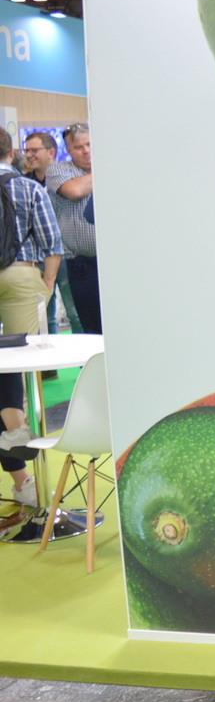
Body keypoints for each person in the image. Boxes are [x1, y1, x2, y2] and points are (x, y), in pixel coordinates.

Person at [0, 129, 64, 507]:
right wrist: (47, 283)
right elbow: (52, 243)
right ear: (12, 153)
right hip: (22, 277)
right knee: (18, 365)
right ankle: (16, 431)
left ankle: (21, 479)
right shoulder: (28, 188)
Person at [22, 131, 81, 337]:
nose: (29, 155)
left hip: (66, 254)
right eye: (27, 150)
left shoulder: (67, 179)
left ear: (51, 152)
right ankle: (49, 358)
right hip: (37, 257)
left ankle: (83, 355)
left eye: (34, 150)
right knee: (44, 316)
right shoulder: (23, 183)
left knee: (74, 312)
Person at [45, 124, 97, 333]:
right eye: (78, 147)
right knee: (89, 326)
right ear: (68, 150)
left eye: (90, 144)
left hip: (115, 262)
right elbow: (75, 190)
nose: (86, 151)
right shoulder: (58, 170)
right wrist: (107, 167)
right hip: (81, 264)